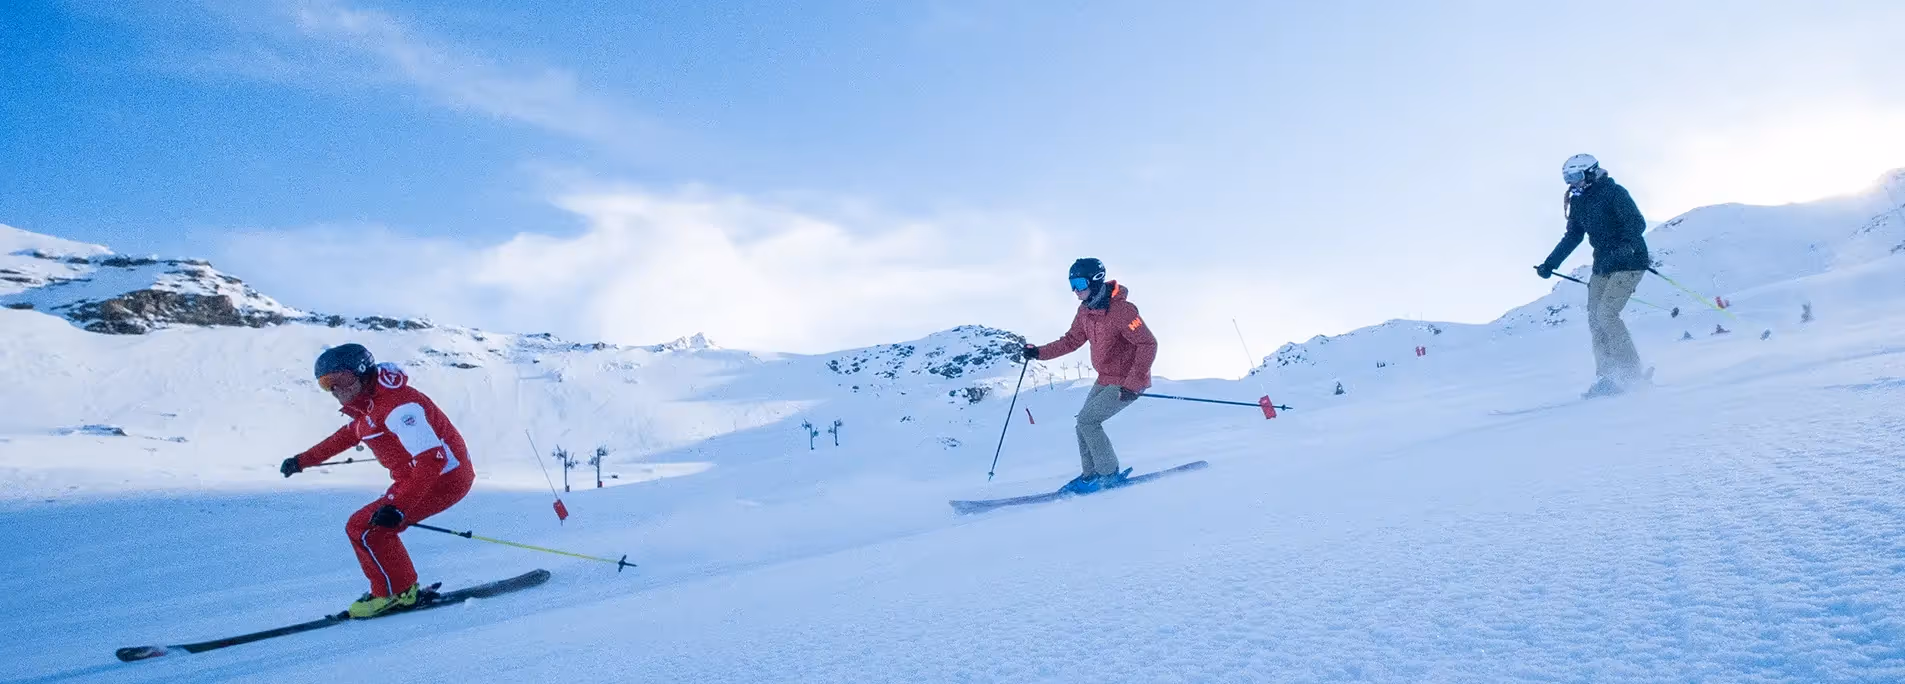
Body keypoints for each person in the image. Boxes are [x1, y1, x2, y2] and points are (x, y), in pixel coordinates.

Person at [279, 343, 476, 618]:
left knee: (367, 527)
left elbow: (434, 459)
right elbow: (344, 438)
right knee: (366, 527)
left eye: (342, 379)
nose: (336, 390)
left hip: (443, 478)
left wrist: (399, 506)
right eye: (326, 384)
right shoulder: (366, 409)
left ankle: (396, 593)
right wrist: (302, 460)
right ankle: (399, 589)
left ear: (362, 373)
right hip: (416, 479)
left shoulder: (399, 406)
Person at [1021, 258, 1158, 494]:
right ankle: (1091, 475)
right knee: (1082, 423)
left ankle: (1108, 475)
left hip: (1127, 381)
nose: (1075, 290)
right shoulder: (1086, 311)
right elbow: (1071, 340)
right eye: (1071, 284)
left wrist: (1133, 383)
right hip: (1106, 378)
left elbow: (1148, 343)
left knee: (1088, 421)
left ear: (1095, 281)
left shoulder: (1122, 311)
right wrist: (1038, 353)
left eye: (1079, 283)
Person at [1535, 153, 1652, 398]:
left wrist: (1624, 246)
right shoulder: (1579, 202)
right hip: (1603, 265)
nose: (1571, 182)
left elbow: (1636, 223)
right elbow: (1573, 236)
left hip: (1630, 260)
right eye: (1567, 177)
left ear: (1590, 172)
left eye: (1575, 176)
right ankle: (1608, 377)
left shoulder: (1614, 192)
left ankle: (1631, 374)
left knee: (1607, 314)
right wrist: (1550, 263)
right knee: (1595, 319)